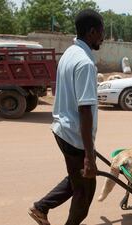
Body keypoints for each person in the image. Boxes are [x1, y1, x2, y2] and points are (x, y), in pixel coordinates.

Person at [28, 9, 104, 225]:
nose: (103, 38)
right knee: (85, 192)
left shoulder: (70, 53)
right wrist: (89, 155)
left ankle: (40, 207)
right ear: (91, 32)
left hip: (62, 130)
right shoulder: (86, 64)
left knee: (76, 178)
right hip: (74, 135)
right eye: (101, 32)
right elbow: (85, 110)